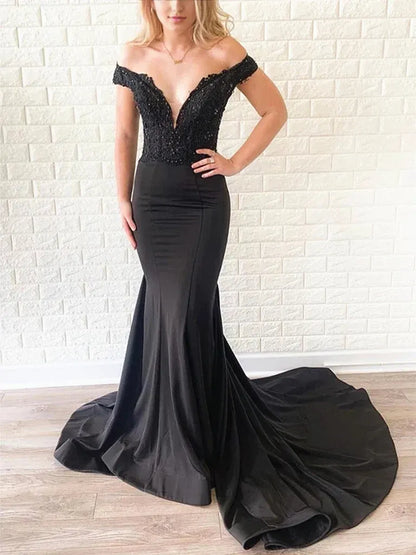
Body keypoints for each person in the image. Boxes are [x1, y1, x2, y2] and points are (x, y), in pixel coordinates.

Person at [54, 0, 399, 550]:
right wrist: (121, 198)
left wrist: (234, 162)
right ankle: (173, 426)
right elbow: (123, 134)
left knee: (184, 313)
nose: (175, 6)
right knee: (168, 311)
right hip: (151, 201)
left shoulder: (224, 52)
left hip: (202, 205)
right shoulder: (133, 54)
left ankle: (188, 444)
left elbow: (274, 110)